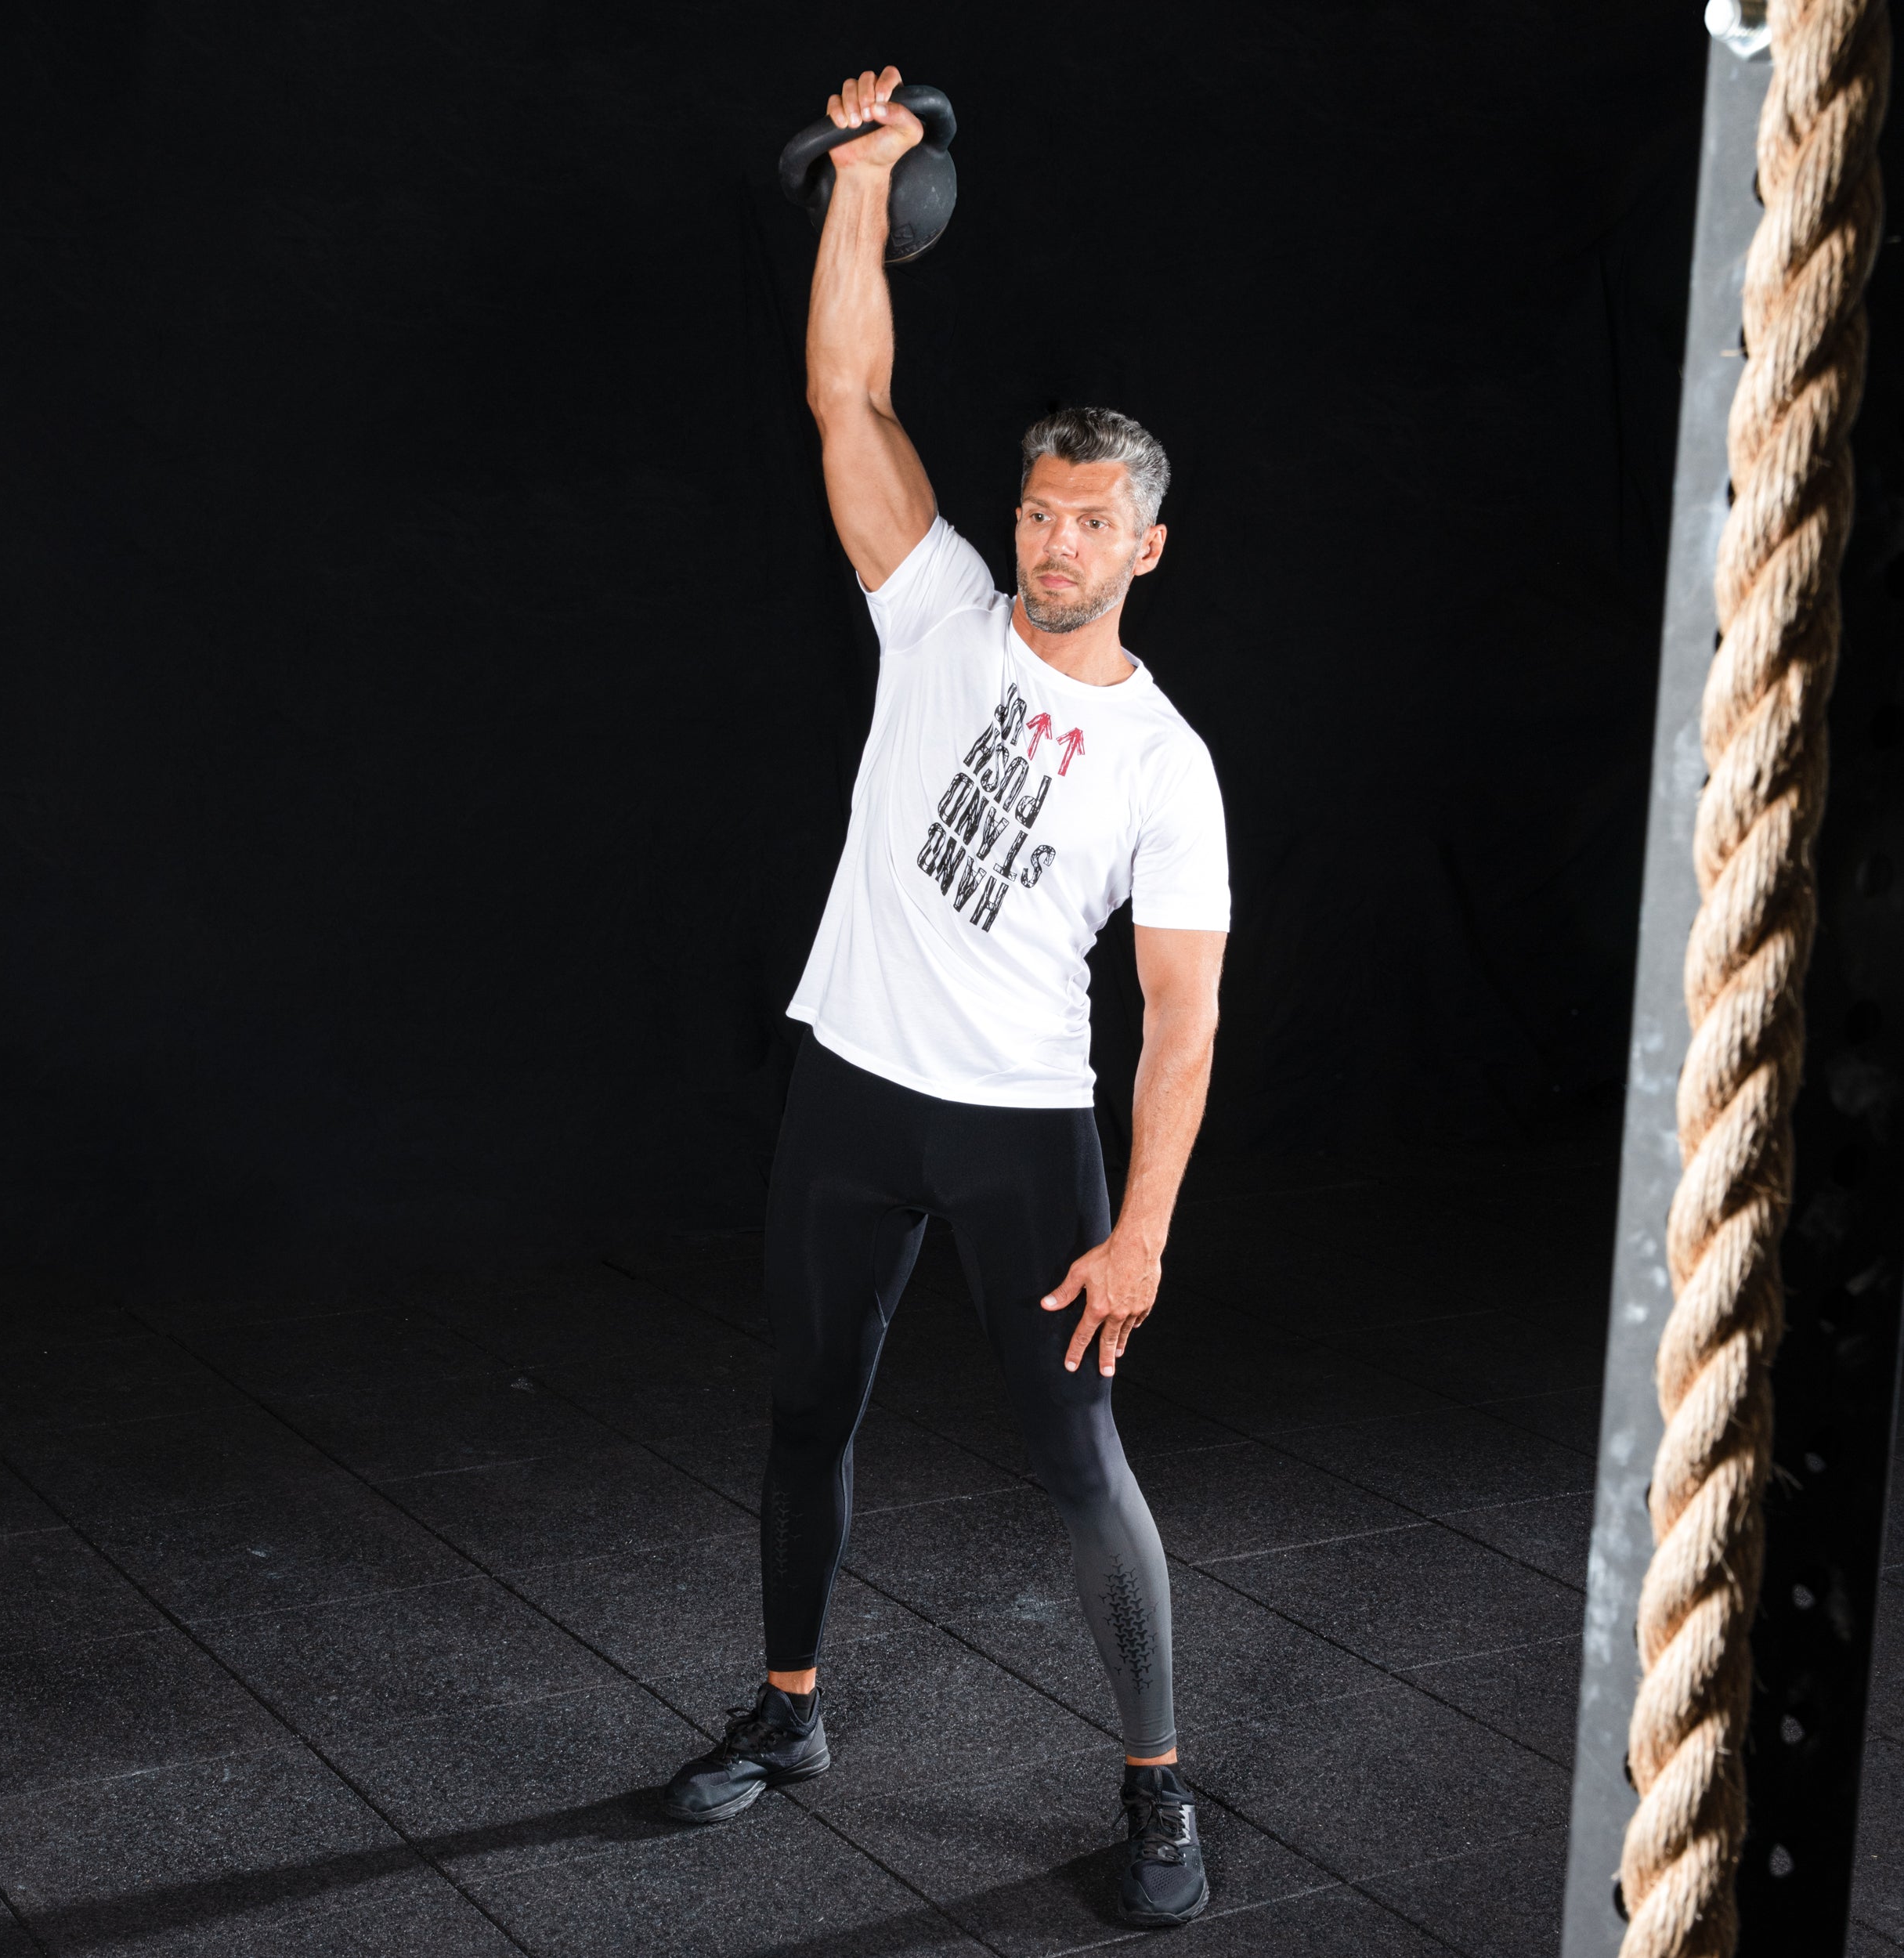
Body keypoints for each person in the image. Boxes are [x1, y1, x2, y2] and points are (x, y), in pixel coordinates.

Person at [662, 65, 1230, 1931]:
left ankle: (1155, 1792)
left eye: (1088, 523)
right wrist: (864, 178)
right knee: (803, 1412)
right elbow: (847, 391)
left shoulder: (1166, 763)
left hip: (1015, 1129)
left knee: (1079, 1468)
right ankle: (788, 1711)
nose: (1052, 541)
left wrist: (1139, 1223)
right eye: (1039, 510)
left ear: (1146, 543)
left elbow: (1178, 1017)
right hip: (848, 1092)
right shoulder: (935, 610)